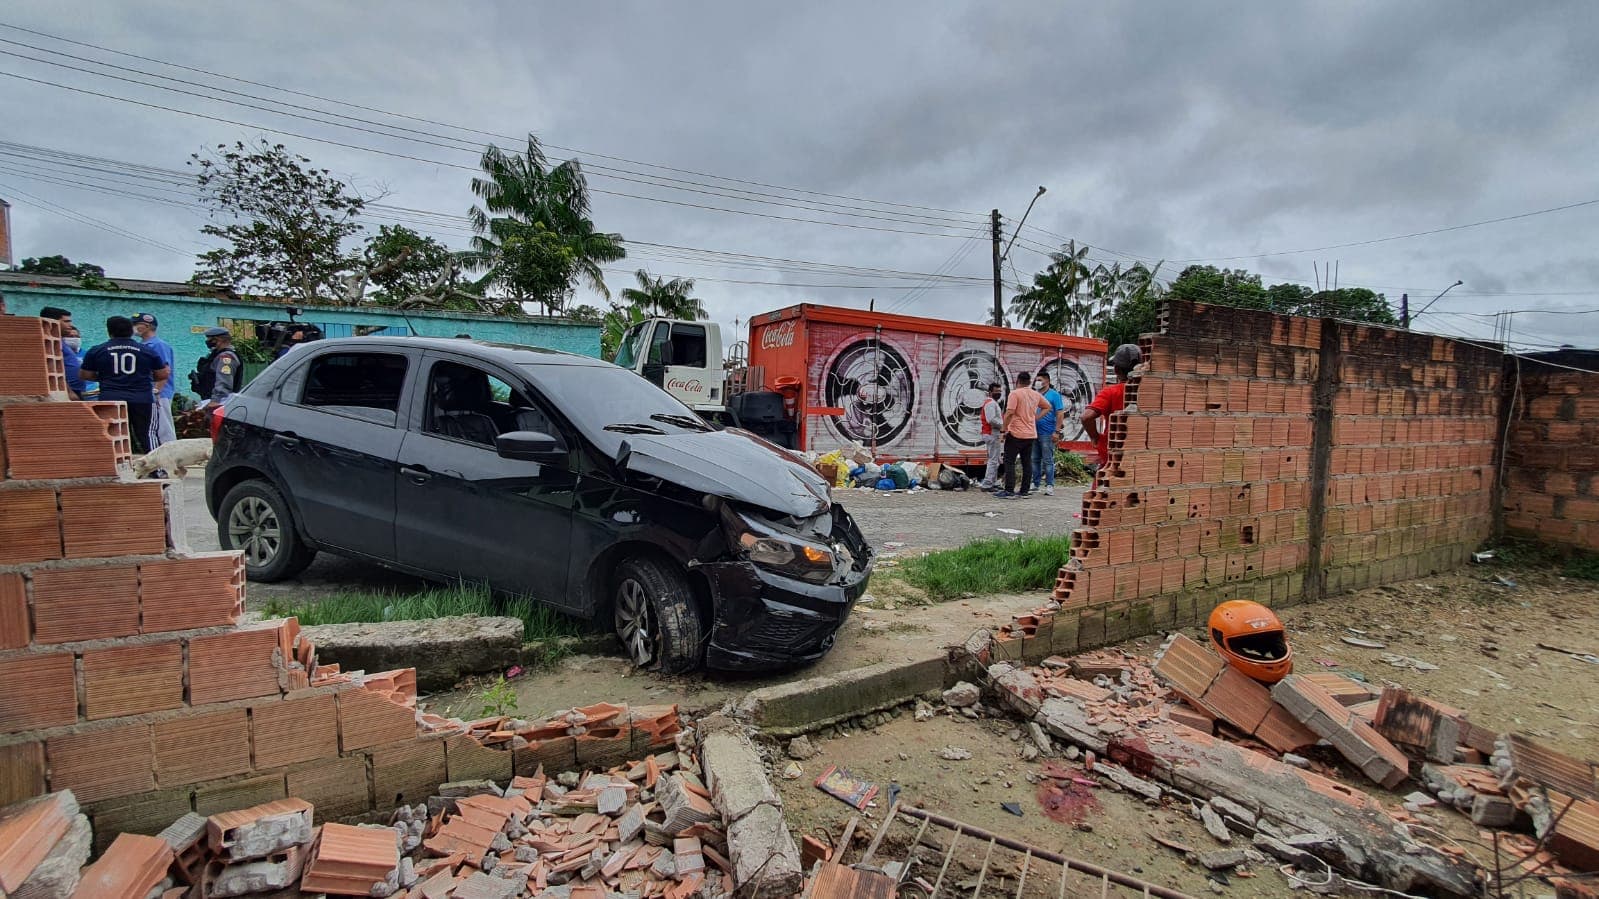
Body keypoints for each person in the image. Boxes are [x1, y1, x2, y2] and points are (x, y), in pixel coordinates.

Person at [79, 316, 170, 454]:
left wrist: (105, 377)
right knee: (146, 433)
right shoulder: (146, 350)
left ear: (109, 332)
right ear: (131, 331)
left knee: (112, 433)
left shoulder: (97, 350)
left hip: (110, 397)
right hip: (142, 398)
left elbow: (85, 375)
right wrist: (142, 377)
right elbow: (163, 374)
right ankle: (157, 469)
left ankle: (115, 466)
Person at [1082, 344, 1144, 483]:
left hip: (1114, 456)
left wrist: (1095, 437)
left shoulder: (1111, 392)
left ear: (1116, 369)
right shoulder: (1150, 392)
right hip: (1142, 457)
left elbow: (1086, 417)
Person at [996, 370, 1047, 499]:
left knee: (1010, 462)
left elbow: (1009, 413)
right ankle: (1024, 491)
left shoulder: (1015, 394)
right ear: (1029, 382)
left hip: (1016, 433)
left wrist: (1003, 430)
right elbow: (1047, 406)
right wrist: (1035, 418)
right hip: (1030, 434)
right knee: (1027, 462)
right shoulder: (1035, 395)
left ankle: (1009, 491)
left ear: (1018, 381)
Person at [132, 313, 176, 450]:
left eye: (135, 324)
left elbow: (165, 370)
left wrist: (156, 391)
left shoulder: (157, 345)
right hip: (149, 393)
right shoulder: (142, 345)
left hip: (159, 394)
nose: (133, 327)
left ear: (146, 326)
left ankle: (171, 457)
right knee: (153, 428)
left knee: (163, 428)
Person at [38, 307, 87, 399]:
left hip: (75, 391)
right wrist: (69, 392)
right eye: (66, 321)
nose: (71, 325)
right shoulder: (49, 343)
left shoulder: (59, 341)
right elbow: (53, 369)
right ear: (53, 322)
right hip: (66, 392)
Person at [1030, 372, 1067, 496]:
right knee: (1034, 459)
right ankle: (1035, 483)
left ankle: (1049, 485)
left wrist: (1056, 431)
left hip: (1047, 432)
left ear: (1047, 380)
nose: (1037, 382)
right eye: (1036, 380)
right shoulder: (1035, 394)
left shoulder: (1054, 395)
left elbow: (1060, 413)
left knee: (1048, 460)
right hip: (1034, 432)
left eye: (1039, 379)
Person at [193, 326, 243, 410]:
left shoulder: (226, 357)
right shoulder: (216, 355)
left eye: (209, 339)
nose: (207, 342)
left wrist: (216, 401)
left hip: (220, 402)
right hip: (210, 399)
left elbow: (224, 380)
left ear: (218, 340)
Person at [977, 382, 1005, 491]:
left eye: (999, 391)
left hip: (991, 433)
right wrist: (1003, 425)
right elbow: (991, 420)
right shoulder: (990, 403)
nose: (998, 393)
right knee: (993, 460)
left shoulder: (992, 402)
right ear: (990, 392)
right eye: (996, 391)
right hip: (992, 433)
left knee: (995, 459)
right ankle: (987, 484)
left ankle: (992, 482)